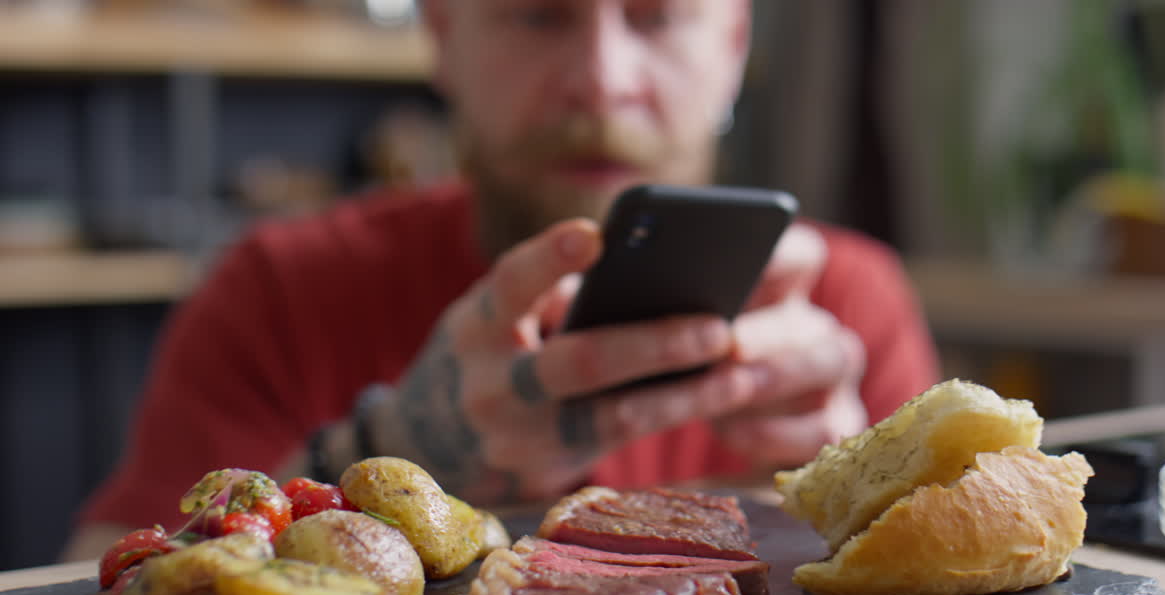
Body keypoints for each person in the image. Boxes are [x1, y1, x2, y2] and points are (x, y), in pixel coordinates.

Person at [62, 0, 939, 560]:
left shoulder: (849, 298)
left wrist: (855, 495)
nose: (601, 83)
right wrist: (375, 450)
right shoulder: (276, 287)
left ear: (735, 46)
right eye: (537, 16)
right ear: (442, 39)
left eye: (658, 17)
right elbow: (85, 586)